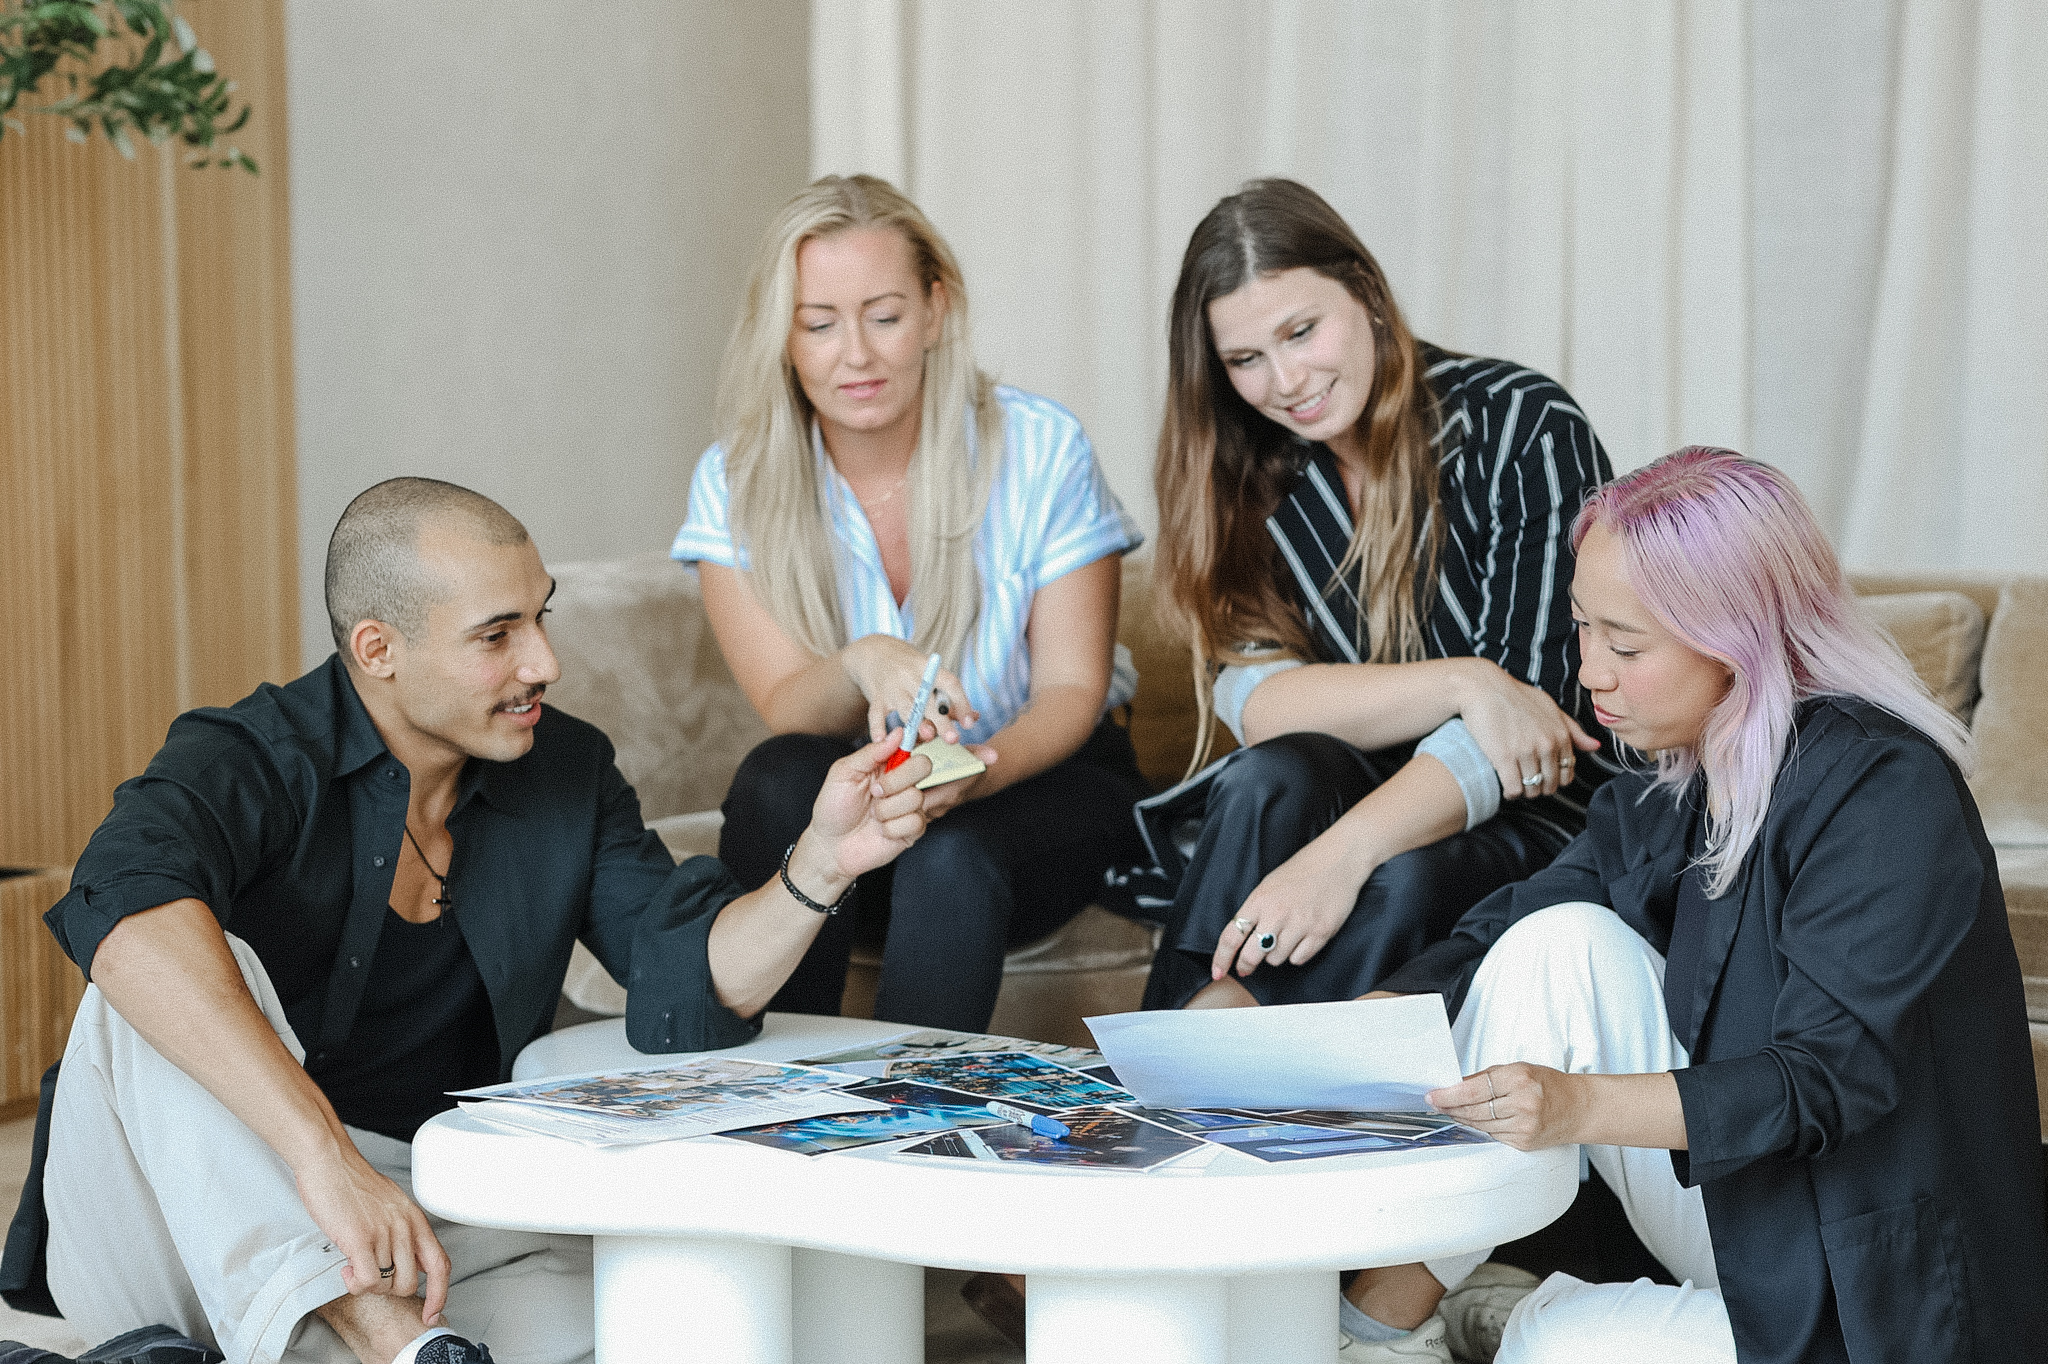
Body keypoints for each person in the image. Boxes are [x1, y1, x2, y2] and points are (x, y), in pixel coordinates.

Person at [12, 478, 932, 1364]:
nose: (545, 663)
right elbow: (118, 907)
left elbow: (687, 975)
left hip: (423, 1223)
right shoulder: (248, 754)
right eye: (498, 635)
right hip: (179, 1214)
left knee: (707, 1291)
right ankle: (389, 1341)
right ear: (378, 650)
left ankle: (274, 1352)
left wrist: (821, 860)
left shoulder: (566, 769)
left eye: (541, 616)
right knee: (163, 962)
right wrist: (322, 1157)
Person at [1337, 447, 2048, 1363]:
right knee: (1557, 943)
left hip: (1877, 1291)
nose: (1591, 673)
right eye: (1584, 629)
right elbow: (1526, 914)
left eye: (1627, 646)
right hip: (1761, 1214)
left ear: (1739, 636)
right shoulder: (1672, 784)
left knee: (1554, 1339)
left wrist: (1574, 1106)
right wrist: (1377, 1016)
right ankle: (1380, 1326)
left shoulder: (1884, 791)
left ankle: (1498, 1317)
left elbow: (1825, 1079)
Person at [672, 173, 1148, 1033]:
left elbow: (1072, 692)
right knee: (775, 780)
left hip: (1033, 782)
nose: (856, 355)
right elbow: (788, 707)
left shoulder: (1042, 448)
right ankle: (775, 1096)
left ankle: (914, 1129)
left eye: (884, 316)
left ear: (935, 309)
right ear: (783, 338)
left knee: (953, 854)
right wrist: (862, 660)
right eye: (819, 324)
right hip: (861, 801)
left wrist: (966, 779)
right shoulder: (734, 479)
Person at [1144, 178, 1615, 1014]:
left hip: (1546, 810)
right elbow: (1260, 704)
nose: (1286, 381)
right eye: (1246, 360)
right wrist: (1464, 681)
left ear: (1363, 291)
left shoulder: (1522, 427)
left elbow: (1530, 727)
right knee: (1265, 780)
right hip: (1350, 795)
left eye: (1301, 332)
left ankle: (1203, 1045)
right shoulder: (1249, 470)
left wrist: (1342, 855)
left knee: (1401, 881)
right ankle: (1171, 1065)